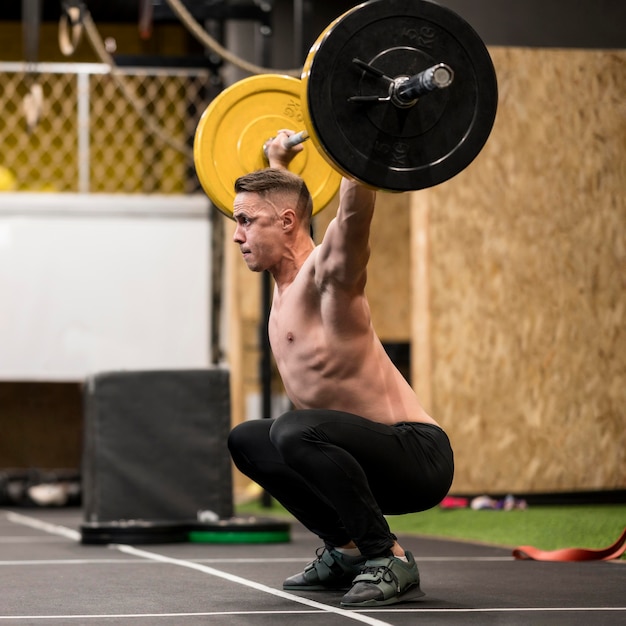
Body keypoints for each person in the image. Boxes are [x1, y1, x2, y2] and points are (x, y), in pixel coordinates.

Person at [227, 129, 454, 607]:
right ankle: (347, 550)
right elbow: (292, 209)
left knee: (292, 431)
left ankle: (388, 557)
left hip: (416, 456)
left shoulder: (328, 280)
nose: (237, 234)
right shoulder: (283, 280)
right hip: (352, 460)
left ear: (285, 223)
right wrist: (277, 160)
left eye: (245, 221)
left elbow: (350, 220)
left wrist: (363, 142)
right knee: (247, 439)